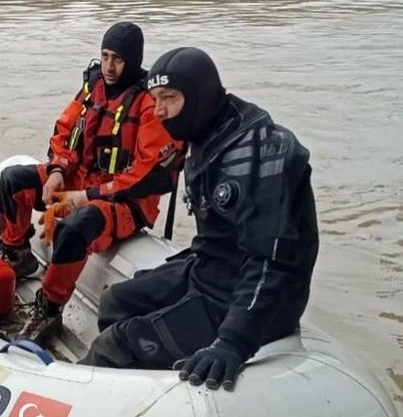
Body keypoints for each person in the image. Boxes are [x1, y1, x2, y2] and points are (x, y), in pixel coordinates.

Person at [79, 47, 319, 392]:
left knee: (113, 345)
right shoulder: (204, 133)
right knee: (116, 300)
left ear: (199, 96)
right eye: (154, 99)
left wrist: (233, 342)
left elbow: (273, 261)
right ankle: (141, 389)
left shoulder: (260, 153)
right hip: (210, 269)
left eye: (169, 98)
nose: (158, 111)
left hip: (242, 296)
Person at [0, 21, 183, 342]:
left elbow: (145, 174)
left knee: (75, 227)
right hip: (78, 181)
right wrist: (55, 171)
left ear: (133, 60)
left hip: (123, 201)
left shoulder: (150, 105)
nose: (108, 66)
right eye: (105, 56)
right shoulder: (92, 86)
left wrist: (86, 196)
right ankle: (16, 251)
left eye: (117, 59)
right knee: (15, 180)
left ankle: (49, 309)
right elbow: (65, 131)